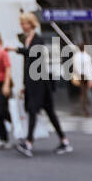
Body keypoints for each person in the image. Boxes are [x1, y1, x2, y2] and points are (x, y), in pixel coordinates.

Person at [15, 12, 72, 156]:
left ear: (31, 24)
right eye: (22, 23)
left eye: (25, 23)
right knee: (48, 112)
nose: (23, 26)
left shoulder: (37, 39)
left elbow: (33, 54)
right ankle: (64, 141)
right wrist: (24, 85)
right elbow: (28, 65)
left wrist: (17, 50)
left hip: (39, 82)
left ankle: (29, 143)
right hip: (34, 82)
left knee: (34, 110)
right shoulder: (27, 39)